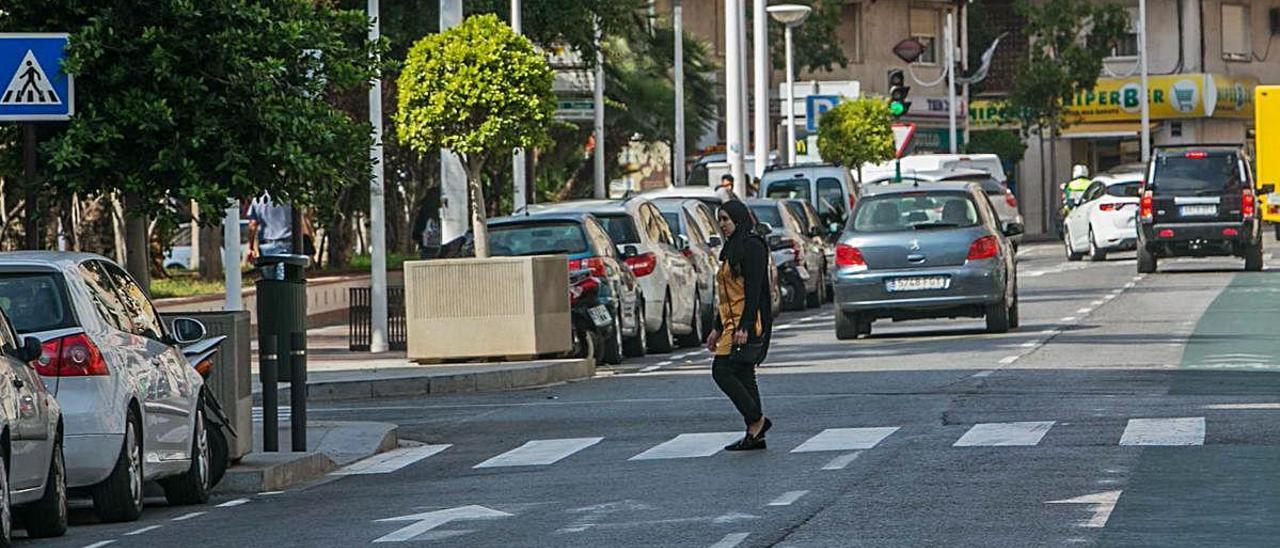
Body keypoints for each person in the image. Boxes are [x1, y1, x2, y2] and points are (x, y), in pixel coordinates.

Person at [706, 200, 774, 451]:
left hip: (746, 322)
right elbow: (725, 294)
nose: (722, 225)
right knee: (744, 372)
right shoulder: (730, 249)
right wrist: (717, 327)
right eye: (720, 220)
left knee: (722, 370)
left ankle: (757, 419)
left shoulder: (753, 247)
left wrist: (746, 325)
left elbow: (754, 289)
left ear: (738, 219)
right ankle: (755, 433)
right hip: (730, 323)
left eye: (726, 219)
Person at [246, 193, 295, 260]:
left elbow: (252, 225)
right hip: (286, 244)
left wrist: (250, 247)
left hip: (266, 245)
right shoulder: (289, 198)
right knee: (285, 270)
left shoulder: (258, 200)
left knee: (268, 269)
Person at [411, 191, 443, 259]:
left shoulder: (424, 211)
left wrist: (416, 238)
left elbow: (418, 228)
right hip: (440, 246)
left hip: (426, 246)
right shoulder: (442, 211)